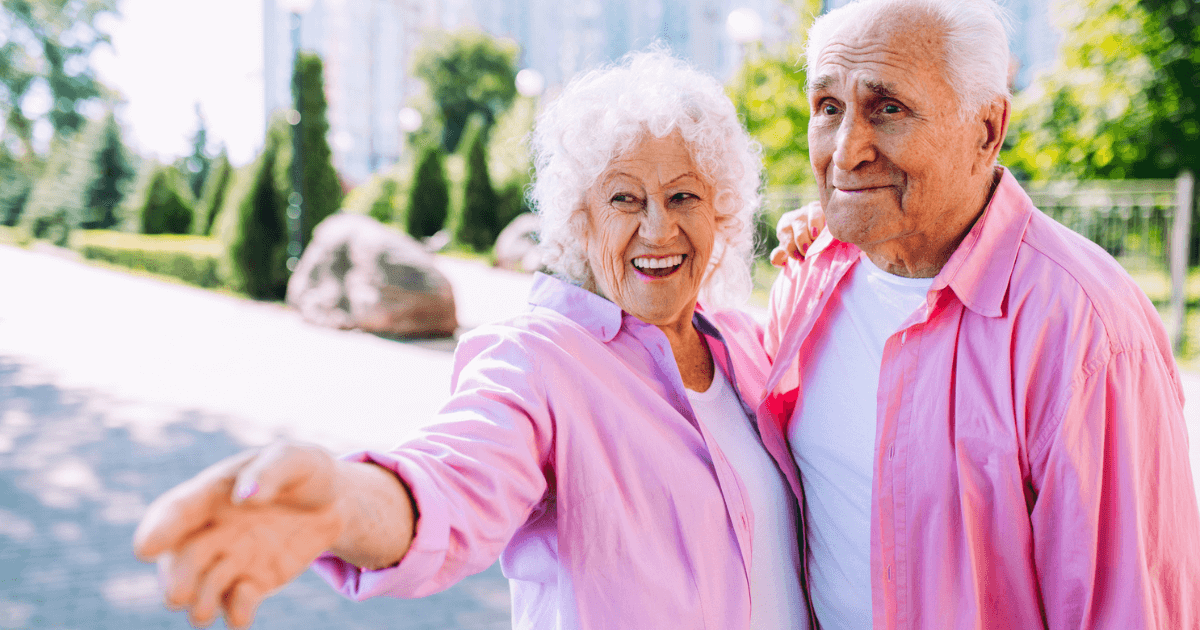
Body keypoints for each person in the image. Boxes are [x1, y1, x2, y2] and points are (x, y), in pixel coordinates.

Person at [132, 50, 817, 630]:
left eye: (684, 197)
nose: (659, 229)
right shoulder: (538, 361)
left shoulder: (746, 348)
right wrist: (344, 502)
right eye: (625, 200)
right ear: (580, 222)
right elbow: (454, 478)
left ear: (721, 207)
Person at [763, 0, 1200, 628]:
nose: (847, 150)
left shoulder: (1084, 328)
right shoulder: (808, 276)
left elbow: (1132, 605)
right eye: (828, 109)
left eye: (888, 108)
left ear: (987, 129)